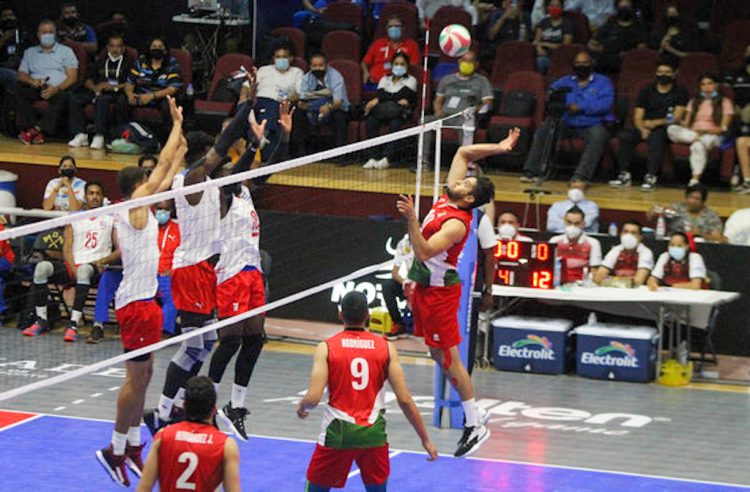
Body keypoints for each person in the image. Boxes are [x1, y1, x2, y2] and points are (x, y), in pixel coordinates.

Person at [396, 129, 520, 457]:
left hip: (439, 294)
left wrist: (411, 219)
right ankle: (475, 414)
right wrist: (501, 147)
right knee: (437, 355)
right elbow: (465, 154)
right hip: (424, 289)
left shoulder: (457, 223)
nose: (461, 180)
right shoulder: (447, 197)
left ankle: (474, 422)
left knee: (450, 358)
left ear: (468, 200)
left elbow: (423, 251)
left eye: (466, 184)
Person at [144, 91, 259, 435]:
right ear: (201, 158)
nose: (218, 159)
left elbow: (235, 168)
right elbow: (222, 146)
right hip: (190, 268)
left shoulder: (213, 183)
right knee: (196, 345)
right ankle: (164, 412)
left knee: (205, 344)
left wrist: (253, 137)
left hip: (206, 271)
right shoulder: (191, 181)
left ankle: (170, 407)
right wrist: (246, 106)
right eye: (211, 155)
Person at [96, 97, 186, 487]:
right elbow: (162, 166)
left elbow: (168, 168)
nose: (155, 183)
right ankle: (113, 449)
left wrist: (179, 134)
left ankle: (133, 445)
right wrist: (173, 128)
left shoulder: (143, 205)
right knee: (134, 381)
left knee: (146, 374)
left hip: (146, 301)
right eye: (147, 180)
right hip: (134, 305)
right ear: (137, 186)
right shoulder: (134, 205)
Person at [208, 102, 292, 442]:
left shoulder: (246, 192)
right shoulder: (222, 193)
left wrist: (283, 136)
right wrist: (253, 144)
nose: (234, 173)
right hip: (229, 275)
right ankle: (207, 407)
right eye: (230, 170)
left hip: (252, 272)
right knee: (229, 341)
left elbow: (273, 166)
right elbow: (242, 169)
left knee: (256, 338)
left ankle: (236, 406)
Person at [297, 291, 438, 491]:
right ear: (368, 316)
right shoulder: (386, 348)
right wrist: (425, 440)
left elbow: (313, 398)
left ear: (340, 315)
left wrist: (302, 406)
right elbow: (405, 399)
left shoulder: (326, 348)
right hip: (373, 435)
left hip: (337, 433)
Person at [23, 182, 118, 341]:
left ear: (102, 197)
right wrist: (72, 267)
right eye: (91, 193)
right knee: (42, 267)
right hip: (73, 265)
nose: (94, 196)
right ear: (85, 197)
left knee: (83, 271)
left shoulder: (111, 218)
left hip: (96, 268)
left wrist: (104, 261)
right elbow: (67, 247)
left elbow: (118, 247)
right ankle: (41, 320)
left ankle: (73, 324)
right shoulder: (74, 218)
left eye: (97, 193)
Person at [520, 49, 614, 183]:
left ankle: (581, 176)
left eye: (584, 63)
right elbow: (551, 94)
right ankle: (532, 171)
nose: (581, 66)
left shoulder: (603, 82)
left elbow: (605, 104)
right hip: (567, 122)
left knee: (598, 135)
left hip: (592, 124)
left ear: (591, 64)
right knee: (546, 127)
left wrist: (580, 107)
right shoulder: (565, 81)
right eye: (577, 63)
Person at [136, 376, 241, 492]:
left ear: (184, 406)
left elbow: (143, 489)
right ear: (214, 409)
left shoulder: (163, 437)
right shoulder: (226, 445)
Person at [610, 61, 689, 191]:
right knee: (625, 137)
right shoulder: (647, 90)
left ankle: (651, 176)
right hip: (644, 125)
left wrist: (654, 123)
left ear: (674, 74)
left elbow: (676, 117)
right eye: (660, 72)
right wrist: (642, 129)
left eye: (667, 72)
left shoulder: (680, 91)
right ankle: (624, 174)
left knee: (656, 138)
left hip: (666, 127)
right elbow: (638, 116)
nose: (663, 75)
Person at [422, 49, 493, 163]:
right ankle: (423, 161)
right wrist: (438, 111)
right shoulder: (447, 79)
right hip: (445, 115)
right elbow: (438, 100)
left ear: (476, 64)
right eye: (464, 60)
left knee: (465, 126)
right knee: (425, 121)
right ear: (459, 61)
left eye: (470, 61)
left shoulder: (481, 81)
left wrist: (475, 111)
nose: (466, 64)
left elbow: (488, 102)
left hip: (464, 117)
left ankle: (464, 163)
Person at [17, 19, 79, 145]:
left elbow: (72, 77)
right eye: (44, 32)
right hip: (36, 87)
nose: (47, 35)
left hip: (58, 89)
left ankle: (35, 131)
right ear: (38, 35)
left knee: (65, 98)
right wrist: (32, 81)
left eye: (51, 32)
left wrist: (55, 89)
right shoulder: (30, 52)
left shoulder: (66, 51)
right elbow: (21, 74)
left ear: (55, 34)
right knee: (20, 93)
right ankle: (32, 130)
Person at [667, 73, 734, 186]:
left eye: (709, 84)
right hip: (693, 133)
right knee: (671, 129)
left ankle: (694, 180)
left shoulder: (725, 102)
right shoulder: (694, 101)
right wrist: (677, 120)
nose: (706, 87)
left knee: (698, 145)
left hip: (713, 135)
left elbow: (723, 128)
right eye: (703, 85)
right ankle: (696, 139)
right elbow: (686, 125)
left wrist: (706, 131)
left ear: (716, 85)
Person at [68, 34, 132, 150]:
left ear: (123, 48)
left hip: (116, 93)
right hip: (97, 90)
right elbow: (87, 79)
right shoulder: (100, 60)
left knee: (102, 100)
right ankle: (80, 134)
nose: (115, 49)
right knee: (75, 98)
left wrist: (112, 87)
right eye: (112, 46)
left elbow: (131, 83)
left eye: (118, 47)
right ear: (107, 47)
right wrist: (95, 87)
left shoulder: (129, 62)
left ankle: (99, 135)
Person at [363, 52, 418, 170]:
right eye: (396, 63)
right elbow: (382, 94)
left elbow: (404, 94)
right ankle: (372, 157)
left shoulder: (411, 80)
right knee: (371, 121)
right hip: (383, 111)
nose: (399, 66)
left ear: (407, 66)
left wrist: (381, 98)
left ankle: (387, 158)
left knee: (395, 123)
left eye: (402, 64)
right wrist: (393, 98)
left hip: (399, 113)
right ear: (392, 65)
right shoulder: (384, 78)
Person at [293, 52, 349, 157]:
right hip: (313, 107)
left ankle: (341, 155)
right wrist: (307, 106)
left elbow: (338, 101)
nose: (317, 68)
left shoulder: (336, 76)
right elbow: (302, 101)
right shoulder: (306, 78)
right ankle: (300, 153)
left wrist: (329, 107)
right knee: (298, 114)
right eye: (314, 66)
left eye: (320, 65)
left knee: (339, 117)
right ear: (310, 67)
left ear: (326, 66)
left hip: (335, 107)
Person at [254, 44, 303, 160]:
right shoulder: (263, 70)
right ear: (273, 58)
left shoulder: (297, 72)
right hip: (259, 100)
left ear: (291, 58)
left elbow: (300, 93)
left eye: (284, 57)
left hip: (280, 104)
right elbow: (247, 86)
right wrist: (243, 98)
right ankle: (262, 137)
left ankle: (263, 135)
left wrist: (288, 100)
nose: (281, 60)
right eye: (278, 57)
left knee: (274, 105)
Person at [125, 36, 182, 125]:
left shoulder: (172, 63)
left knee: (167, 106)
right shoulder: (141, 61)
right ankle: (124, 133)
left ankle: (166, 137)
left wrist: (152, 96)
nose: (157, 49)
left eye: (160, 47)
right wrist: (129, 95)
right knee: (122, 101)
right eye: (154, 47)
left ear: (165, 50)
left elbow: (173, 89)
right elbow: (130, 82)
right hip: (141, 96)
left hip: (160, 97)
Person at [647, 183, 723, 242]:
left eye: (697, 199)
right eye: (690, 197)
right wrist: (658, 209)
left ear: (703, 201)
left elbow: (717, 238)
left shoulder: (711, 215)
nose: (692, 201)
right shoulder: (676, 208)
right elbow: (650, 217)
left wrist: (700, 234)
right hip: (672, 244)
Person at [587, 0, 646, 73]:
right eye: (621, 7)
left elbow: (641, 49)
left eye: (627, 7)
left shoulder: (638, 27)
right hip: (604, 58)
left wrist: (628, 55)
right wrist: (600, 49)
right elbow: (591, 43)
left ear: (632, 9)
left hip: (625, 62)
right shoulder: (610, 24)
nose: (624, 9)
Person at [361, 15, 420, 86]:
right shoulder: (378, 43)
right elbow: (364, 63)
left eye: (397, 26)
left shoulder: (412, 45)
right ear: (386, 29)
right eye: (390, 26)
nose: (394, 28)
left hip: (399, 83)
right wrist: (366, 73)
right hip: (375, 82)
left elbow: (414, 66)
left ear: (403, 28)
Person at [548, 206, 602, 283]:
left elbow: (594, 271)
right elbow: (548, 266)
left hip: (582, 285)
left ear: (583, 224)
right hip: (557, 282)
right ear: (564, 222)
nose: (572, 226)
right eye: (569, 222)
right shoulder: (554, 241)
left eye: (577, 223)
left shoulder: (593, 243)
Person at [594, 220, 653, 286]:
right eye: (625, 232)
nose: (628, 235)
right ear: (621, 234)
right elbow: (598, 277)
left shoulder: (646, 252)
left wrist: (610, 281)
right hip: (615, 289)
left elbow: (638, 281)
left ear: (640, 237)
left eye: (633, 233)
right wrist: (624, 282)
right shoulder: (616, 250)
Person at [383, 233, 414, 340]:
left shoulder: (428, 241)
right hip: (410, 284)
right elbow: (395, 273)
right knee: (388, 286)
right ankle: (398, 324)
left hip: (425, 283)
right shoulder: (403, 243)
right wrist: (406, 283)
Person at [156, 200, 180, 336]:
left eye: (166, 210)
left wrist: (173, 270)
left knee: (170, 296)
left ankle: (165, 331)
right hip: (147, 273)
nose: (162, 213)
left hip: (168, 273)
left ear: (171, 212)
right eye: (159, 209)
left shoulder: (178, 229)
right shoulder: (148, 228)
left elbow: (183, 255)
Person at [648, 2, 697, 69]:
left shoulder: (687, 31)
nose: (672, 16)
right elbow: (656, 53)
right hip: (662, 65)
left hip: (682, 64)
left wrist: (670, 49)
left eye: (674, 13)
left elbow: (689, 56)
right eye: (669, 13)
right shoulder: (659, 31)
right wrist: (665, 41)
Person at [533, 0, 574, 74]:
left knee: (540, 62)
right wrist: (538, 48)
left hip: (559, 57)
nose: (554, 8)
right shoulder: (543, 22)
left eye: (557, 6)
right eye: (551, 6)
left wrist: (545, 44)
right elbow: (536, 41)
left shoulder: (567, 24)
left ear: (562, 8)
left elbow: (565, 46)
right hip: (543, 56)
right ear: (548, 8)